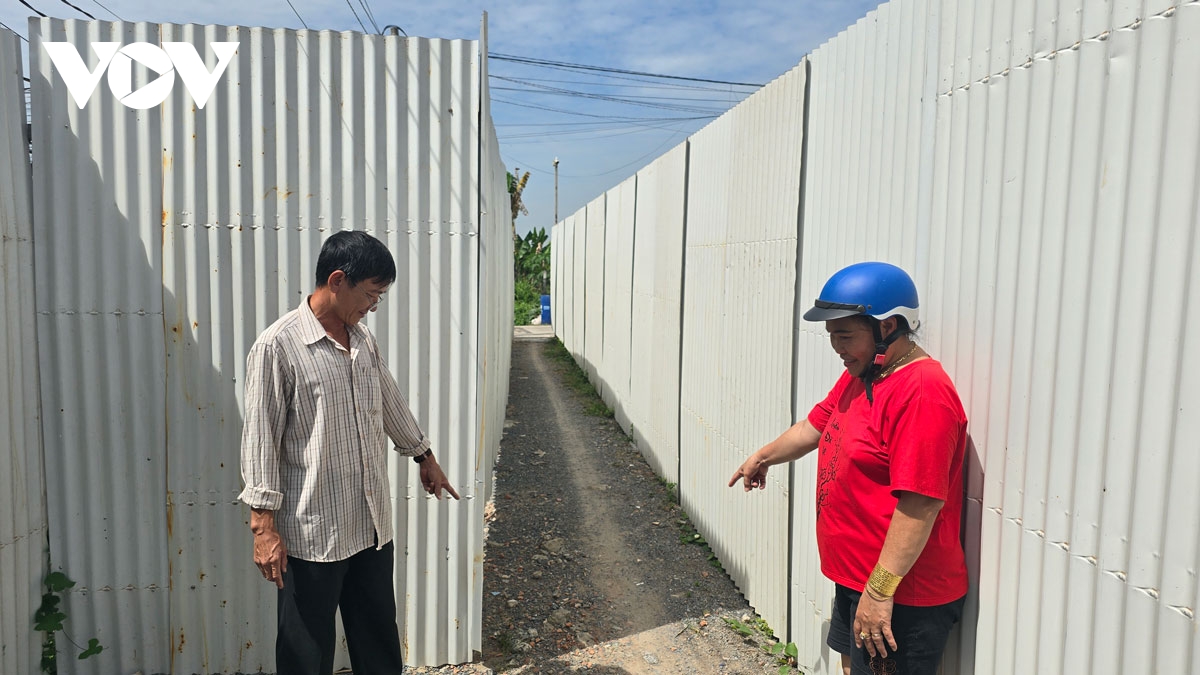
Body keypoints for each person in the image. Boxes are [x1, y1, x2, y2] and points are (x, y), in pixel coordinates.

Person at [728, 262, 968, 675]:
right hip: (859, 576)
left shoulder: (922, 393)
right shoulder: (866, 374)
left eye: (845, 335)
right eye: (832, 336)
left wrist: (879, 592)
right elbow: (814, 426)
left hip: (900, 594)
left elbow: (920, 504)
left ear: (888, 327)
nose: (837, 347)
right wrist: (764, 457)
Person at [239, 230, 460, 675]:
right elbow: (261, 437)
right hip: (313, 532)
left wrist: (424, 455)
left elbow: (389, 400)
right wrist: (263, 526)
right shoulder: (278, 346)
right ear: (337, 280)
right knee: (306, 651)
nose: (374, 306)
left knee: (377, 637)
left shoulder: (361, 340)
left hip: (370, 525)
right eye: (371, 294)